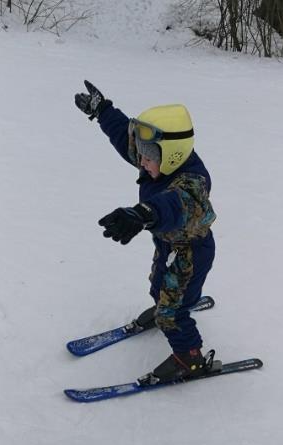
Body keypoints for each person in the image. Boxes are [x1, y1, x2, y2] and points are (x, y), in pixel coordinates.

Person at [74, 80, 216, 384]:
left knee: (173, 313)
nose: (141, 161)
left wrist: (142, 214)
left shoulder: (194, 183)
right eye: (141, 154)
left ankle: (189, 358)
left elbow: (176, 204)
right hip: (168, 247)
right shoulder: (156, 159)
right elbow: (124, 137)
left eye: (146, 157)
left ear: (173, 154)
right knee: (157, 283)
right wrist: (103, 110)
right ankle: (163, 300)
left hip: (191, 254)